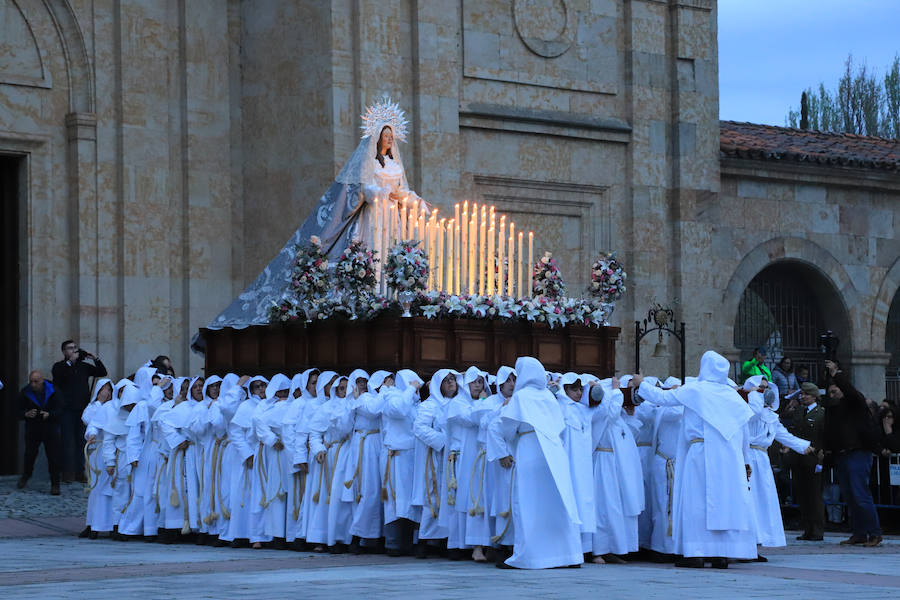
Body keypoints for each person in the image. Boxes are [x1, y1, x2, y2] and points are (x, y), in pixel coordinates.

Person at [634, 351, 757, 569]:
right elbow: (743, 433)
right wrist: (745, 461)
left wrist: (641, 384)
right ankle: (721, 554)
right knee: (725, 502)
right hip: (730, 457)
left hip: (701, 453)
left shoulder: (696, 390)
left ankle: (696, 553)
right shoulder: (733, 397)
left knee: (696, 502)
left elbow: (662, 398)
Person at [489, 356, 583, 569]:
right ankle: (568, 555)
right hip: (555, 452)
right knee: (558, 502)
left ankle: (529, 556)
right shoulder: (550, 397)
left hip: (530, 450)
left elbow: (507, 428)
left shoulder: (520, 397)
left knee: (529, 504)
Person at [822, 360, 882, 547]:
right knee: (850, 497)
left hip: (857, 453)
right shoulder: (834, 410)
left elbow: (850, 391)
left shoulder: (855, 403)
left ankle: (874, 533)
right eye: (830, 392)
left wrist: (836, 374)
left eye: (836, 391)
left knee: (861, 495)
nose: (833, 394)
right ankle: (859, 533)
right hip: (841, 455)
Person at [52, 340, 108, 482]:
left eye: (75, 348)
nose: (74, 350)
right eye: (70, 348)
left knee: (81, 441)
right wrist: (70, 362)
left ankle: (79, 472)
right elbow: (59, 379)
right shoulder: (59, 367)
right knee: (68, 442)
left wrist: (95, 358)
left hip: (82, 409)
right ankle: (67, 473)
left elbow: (102, 372)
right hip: (67, 410)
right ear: (64, 352)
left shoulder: (84, 366)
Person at [782, 382, 826, 541]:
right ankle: (807, 528)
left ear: (814, 395)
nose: (803, 397)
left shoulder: (821, 413)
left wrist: (822, 452)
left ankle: (817, 529)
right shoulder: (799, 411)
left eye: (806, 394)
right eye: (802, 394)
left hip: (813, 458)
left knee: (814, 495)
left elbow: (823, 435)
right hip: (798, 458)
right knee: (802, 495)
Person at [18, 370, 63, 494]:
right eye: (31, 381)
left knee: (53, 457)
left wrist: (50, 414)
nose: (33, 384)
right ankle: (26, 476)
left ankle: (55, 484)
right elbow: (17, 410)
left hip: (50, 428)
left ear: (42, 381)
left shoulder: (53, 391)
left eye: (36, 382)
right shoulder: (25, 392)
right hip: (33, 428)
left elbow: (61, 409)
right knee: (29, 455)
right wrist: (25, 414)